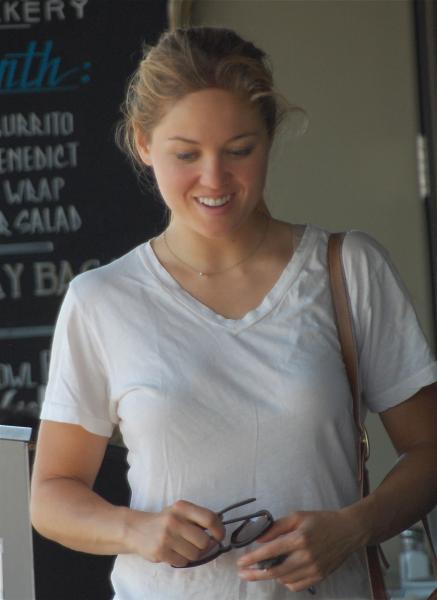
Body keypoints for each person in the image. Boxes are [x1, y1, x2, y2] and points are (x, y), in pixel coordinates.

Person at [30, 26, 437, 600]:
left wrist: (355, 527)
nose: (214, 179)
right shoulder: (102, 300)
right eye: (186, 154)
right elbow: (51, 494)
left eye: (239, 150)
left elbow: (429, 450)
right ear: (143, 144)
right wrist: (136, 529)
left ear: (270, 138)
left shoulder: (348, 270)